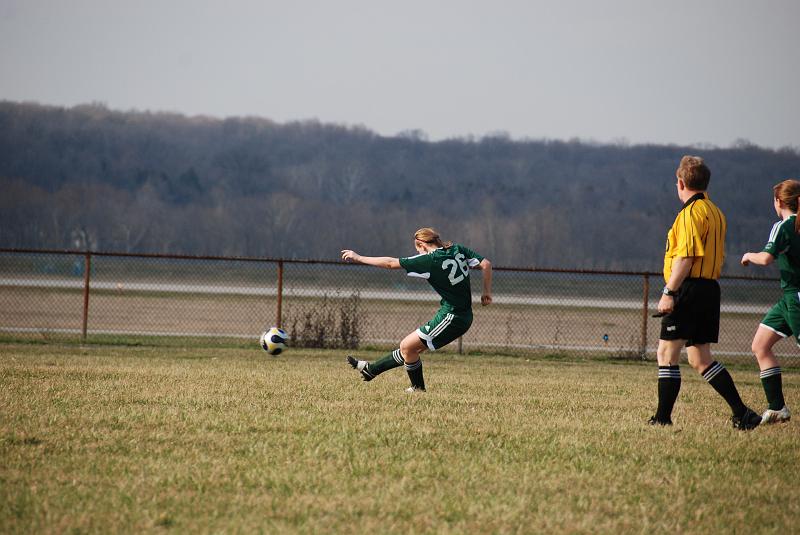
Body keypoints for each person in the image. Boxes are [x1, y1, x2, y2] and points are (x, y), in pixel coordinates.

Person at [649, 155, 761, 429]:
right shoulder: (715, 212)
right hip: (709, 289)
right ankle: (742, 413)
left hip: (689, 288)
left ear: (680, 183)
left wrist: (669, 292)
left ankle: (662, 419)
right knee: (700, 358)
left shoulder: (689, 214)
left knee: (666, 354)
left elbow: (685, 258)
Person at [341, 227, 492, 392]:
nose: (418, 254)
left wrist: (359, 257)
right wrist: (486, 293)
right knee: (411, 349)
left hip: (453, 317)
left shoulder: (429, 260)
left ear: (422, 244)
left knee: (407, 346)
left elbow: (391, 263)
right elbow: (486, 264)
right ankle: (371, 370)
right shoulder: (457, 249)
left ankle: (418, 389)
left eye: (417, 249)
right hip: (460, 315)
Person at [739, 179, 798, 424]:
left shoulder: (783, 226)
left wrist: (747, 256)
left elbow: (765, 259)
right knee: (760, 345)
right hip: (787, 300)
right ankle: (777, 408)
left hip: (796, 298)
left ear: (779, 202)